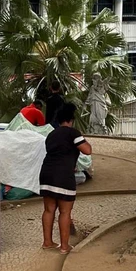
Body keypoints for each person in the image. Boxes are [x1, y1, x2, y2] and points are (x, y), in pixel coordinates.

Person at [40, 103, 92, 253]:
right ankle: (64, 246)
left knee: (49, 210)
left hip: (46, 173)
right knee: (65, 212)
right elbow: (87, 150)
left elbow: (56, 152)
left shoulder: (51, 134)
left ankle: (47, 242)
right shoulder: (73, 133)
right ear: (71, 119)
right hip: (63, 175)